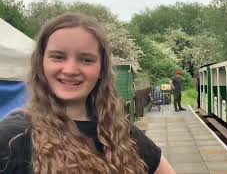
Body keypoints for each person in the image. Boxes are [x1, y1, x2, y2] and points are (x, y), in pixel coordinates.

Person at [0, 13, 175, 174]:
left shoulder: (119, 131)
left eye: (86, 60)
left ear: (101, 70)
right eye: (58, 57)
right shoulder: (13, 136)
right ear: (41, 63)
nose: (70, 70)